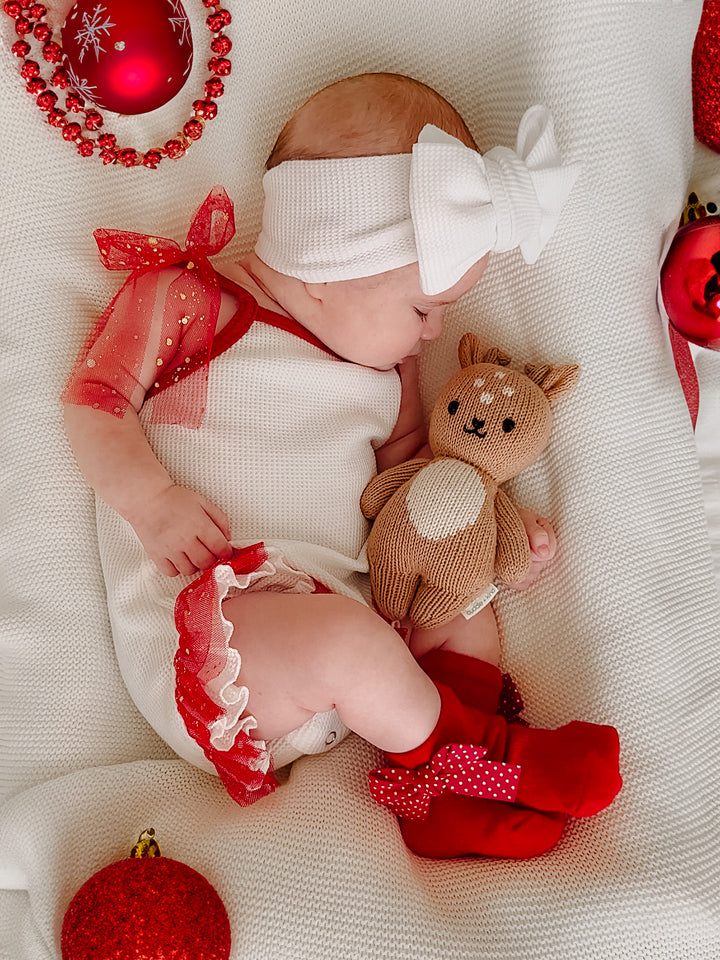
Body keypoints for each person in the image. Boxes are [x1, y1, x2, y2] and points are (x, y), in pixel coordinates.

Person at [62, 73, 621, 859]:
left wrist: (488, 529)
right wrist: (150, 499)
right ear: (332, 261)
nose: (433, 335)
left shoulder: (389, 374)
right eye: (424, 310)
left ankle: (443, 797)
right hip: (220, 652)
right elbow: (95, 401)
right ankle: (490, 760)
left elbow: (417, 478)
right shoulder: (190, 300)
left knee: (458, 601)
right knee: (346, 643)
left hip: (355, 625)